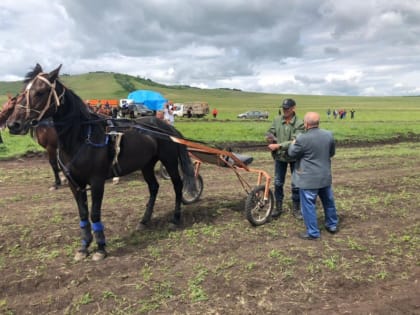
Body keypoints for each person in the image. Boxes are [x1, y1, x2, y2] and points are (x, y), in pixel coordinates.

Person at [288, 112, 339, 240]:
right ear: (318, 123)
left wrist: (293, 143)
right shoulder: (328, 135)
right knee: (328, 201)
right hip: (324, 175)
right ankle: (332, 225)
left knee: (308, 205)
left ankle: (313, 232)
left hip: (308, 179)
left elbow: (292, 154)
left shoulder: (301, 138)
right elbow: (331, 153)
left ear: (305, 124)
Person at [266, 98, 304, 219]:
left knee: (296, 184)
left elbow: (296, 140)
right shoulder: (277, 120)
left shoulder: (300, 123)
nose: (285, 110)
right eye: (283, 108)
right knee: (278, 183)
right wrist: (269, 137)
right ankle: (278, 208)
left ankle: (296, 208)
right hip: (280, 157)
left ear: (293, 108)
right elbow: (270, 131)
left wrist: (279, 145)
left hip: (294, 157)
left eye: (287, 108)